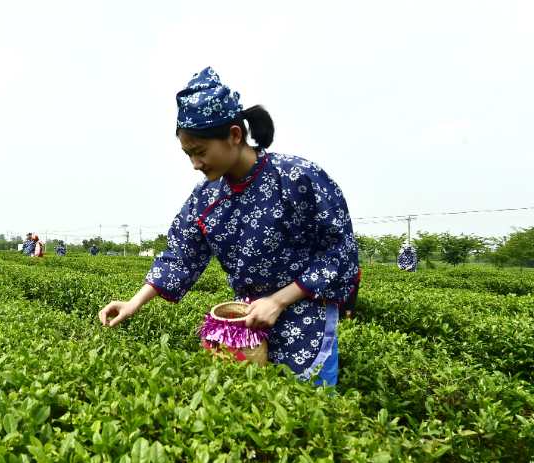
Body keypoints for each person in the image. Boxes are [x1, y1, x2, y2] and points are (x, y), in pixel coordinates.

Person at [98, 67, 359, 386]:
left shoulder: (296, 177)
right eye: (188, 154)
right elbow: (181, 255)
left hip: (308, 319)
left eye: (200, 151)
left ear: (235, 135)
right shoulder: (205, 198)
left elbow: (338, 251)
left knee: (309, 419)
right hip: (246, 323)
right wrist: (134, 302)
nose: (195, 163)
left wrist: (278, 301)